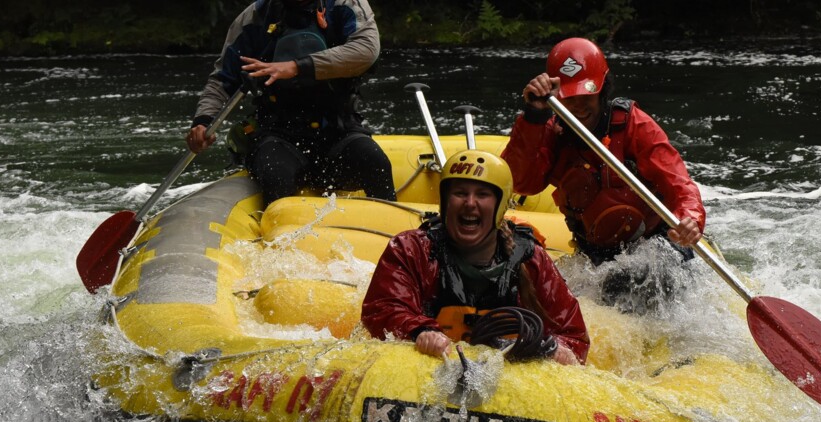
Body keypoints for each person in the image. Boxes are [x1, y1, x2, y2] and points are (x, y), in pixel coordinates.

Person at [501, 38, 705, 310]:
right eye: (570, 97)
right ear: (556, 95)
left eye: (588, 94)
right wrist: (533, 117)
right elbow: (520, 183)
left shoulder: (633, 123)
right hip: (597, 255)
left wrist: (690, 218)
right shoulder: (548, 131)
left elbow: (679, 183)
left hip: (656, 243)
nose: (579, 105)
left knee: (634, 280)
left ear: (603, 88)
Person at [361, 150, 590, 365]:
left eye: (482, 195)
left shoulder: (530, 260)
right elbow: (383, 309)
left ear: (500, 207)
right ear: (445, 202)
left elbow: (574, 336)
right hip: (429, 369)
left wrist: (552, 349)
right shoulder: (412, 249)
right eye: (460, 193)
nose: (470, 203)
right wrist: (420, 331)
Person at [185, 0, 396, 205]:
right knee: (275, 175)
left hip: (339, 129)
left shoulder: (345, 5)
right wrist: (203, 121)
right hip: (279, 132)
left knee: (376, 164)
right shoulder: (255, 16)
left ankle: (399, 237)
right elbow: (222, 80)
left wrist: (296, 67)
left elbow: (367, 50)